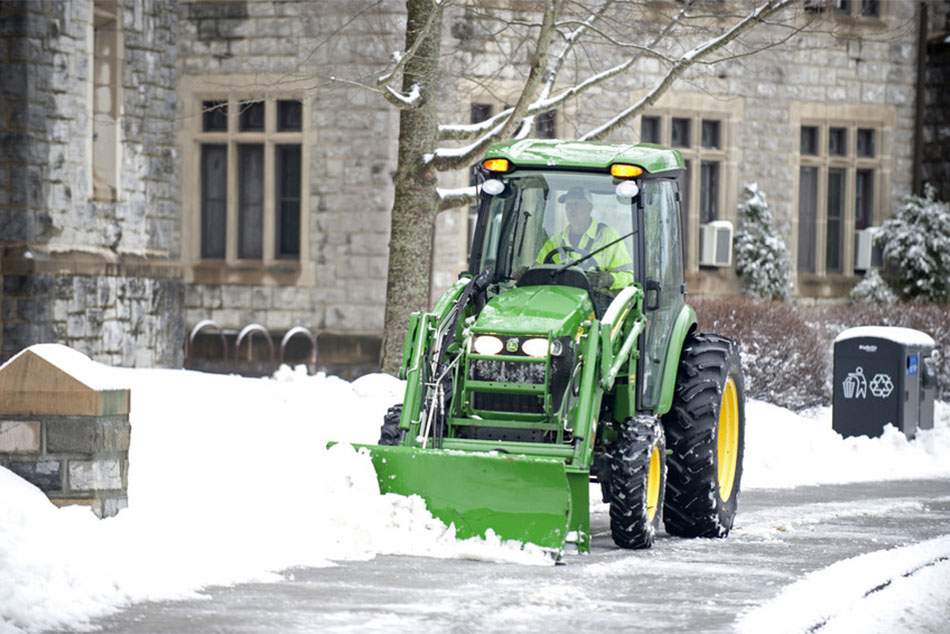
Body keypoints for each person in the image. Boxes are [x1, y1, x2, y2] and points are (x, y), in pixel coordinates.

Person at [536, 187, 633, 291]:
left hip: (597, 303)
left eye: (576, 204)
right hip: (560, 299)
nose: (571, 209)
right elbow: (537, 272)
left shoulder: (608, 238)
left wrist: (609, 280)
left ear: (589, 208)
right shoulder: (555, 242)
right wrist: (524, 272)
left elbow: (630, 277)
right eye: (568, 205)